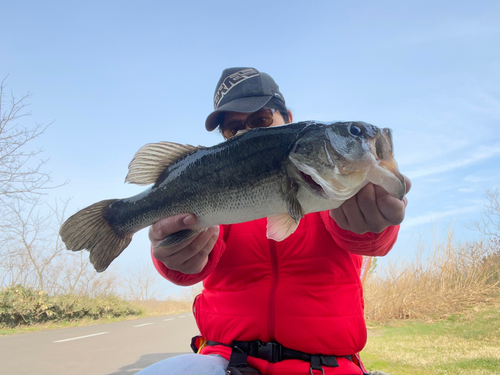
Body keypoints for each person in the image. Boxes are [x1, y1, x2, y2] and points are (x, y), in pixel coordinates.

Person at [137, 67, 411, 375]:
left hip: (328, 366)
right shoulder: (217, 196)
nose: (248, 132)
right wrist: (172, 258)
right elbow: (187, 265)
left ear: (288, 119)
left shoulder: (337, 187)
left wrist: (378, 222)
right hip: (224, 359)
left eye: (261, 120)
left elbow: (369, 239)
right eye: (232, 129)